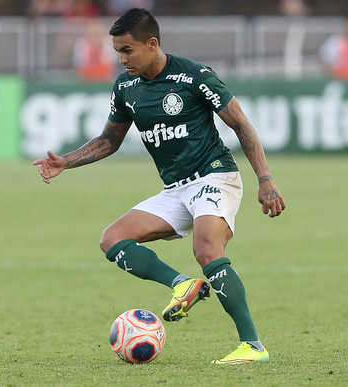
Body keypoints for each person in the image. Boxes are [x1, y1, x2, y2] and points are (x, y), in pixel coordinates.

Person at [33, 8, 286, 364]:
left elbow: (241, 125)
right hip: (176, 190)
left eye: (127, 50)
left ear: (152, 44)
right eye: (117, 51)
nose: (121, 59)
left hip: (214, 176)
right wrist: (66, 162)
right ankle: (182, 285)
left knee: (207, 249)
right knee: (112, 238)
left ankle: (252, 345)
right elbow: (110, 139)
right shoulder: (125, 87)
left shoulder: (194, 76)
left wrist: (266, 180)